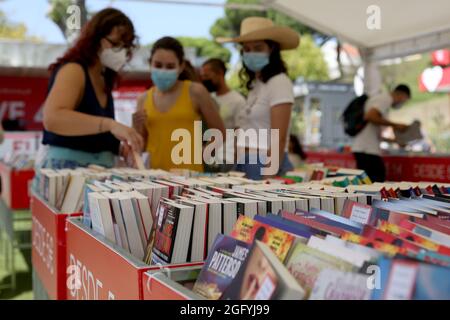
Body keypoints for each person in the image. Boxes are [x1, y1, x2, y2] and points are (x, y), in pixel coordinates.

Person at [39, 8, 143, 171]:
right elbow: (53, 118)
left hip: (99, 169)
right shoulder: (74, 69)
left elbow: (91, 132)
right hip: (67, 170)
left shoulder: (103, 79)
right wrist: (110, 125)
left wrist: (117, 146)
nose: (121, 52)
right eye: (115, 44)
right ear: (95, 38)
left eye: (125, 47)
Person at [217, 17, 300, 180]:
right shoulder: (257, 85)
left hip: (265, 165)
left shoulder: (279, 82)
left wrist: (267, 180)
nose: (251, 53)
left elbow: (279, 137)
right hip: (244, 164)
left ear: (272, 49)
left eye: (258, 48)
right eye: (246, 49)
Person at [132, 37, 225, 172]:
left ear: (181, 67)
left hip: (190, 178)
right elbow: (141, 145)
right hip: (154, 179)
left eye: (170, 66)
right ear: (149, 64)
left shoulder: (196, 91)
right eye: (158, 65)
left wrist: (202, 154)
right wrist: (136, 128)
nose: (163, 71)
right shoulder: (143, 99)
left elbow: (220, 133)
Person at [352, 84, 411, 182]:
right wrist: (395, 125)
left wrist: (395, 141)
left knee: (368, 182)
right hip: (367, 150)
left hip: (364, 148)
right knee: (376, 180)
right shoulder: (385, 99)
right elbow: (370, 116)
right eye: (404, 100)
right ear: (402, 95)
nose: (402, 103)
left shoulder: (382, 100)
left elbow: (376, 133)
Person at [200, 58, 246, 171]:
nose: (204, 80)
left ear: (220, 73)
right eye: (202, 76)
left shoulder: (237, 100)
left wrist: (236, 162)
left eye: (207, 75)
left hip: (226, 158)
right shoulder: (209, 99)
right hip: (207, 157)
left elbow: (239, 133)